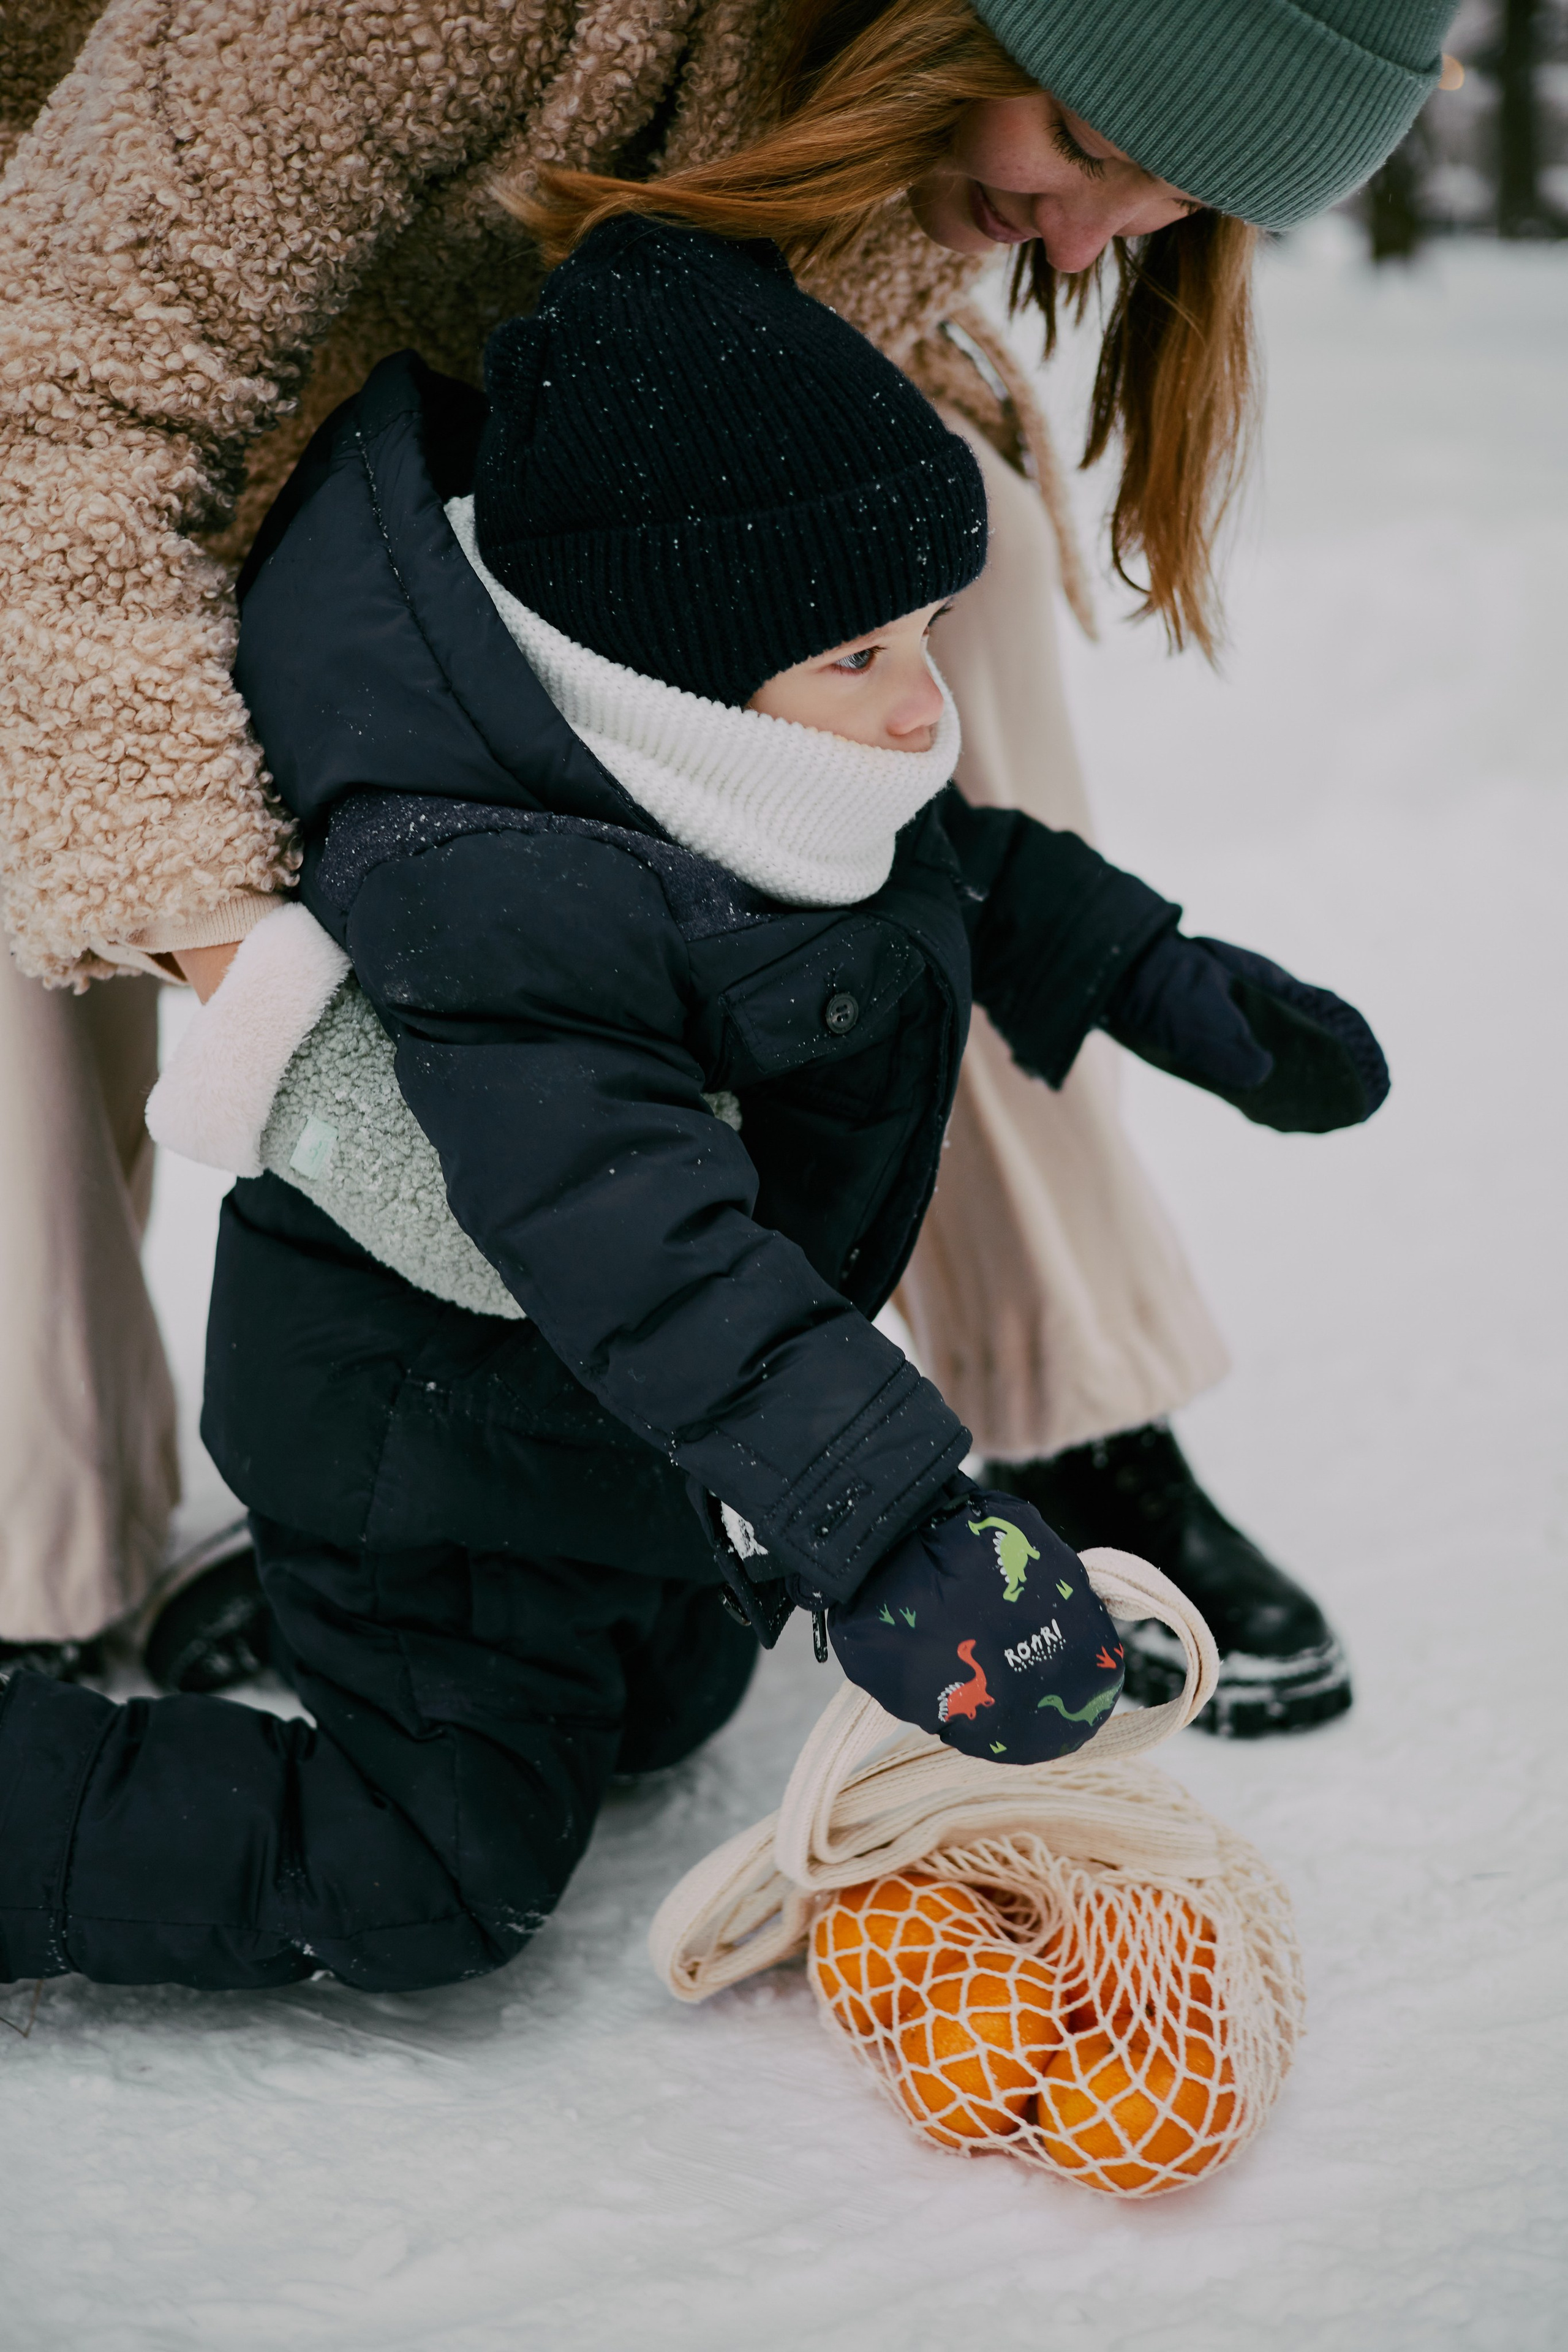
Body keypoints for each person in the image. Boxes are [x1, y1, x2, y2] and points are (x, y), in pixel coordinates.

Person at [0, 0, 1458, 1723]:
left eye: (1174, 205)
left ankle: (1065, 1387)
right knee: (36, 754)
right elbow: (56, 413)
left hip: (535, 475)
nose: (1083, 243)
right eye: (1086, 146)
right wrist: (263, 999)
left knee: (936, 583)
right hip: (110, 368)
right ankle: (35, 1536)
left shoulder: (912, 130)